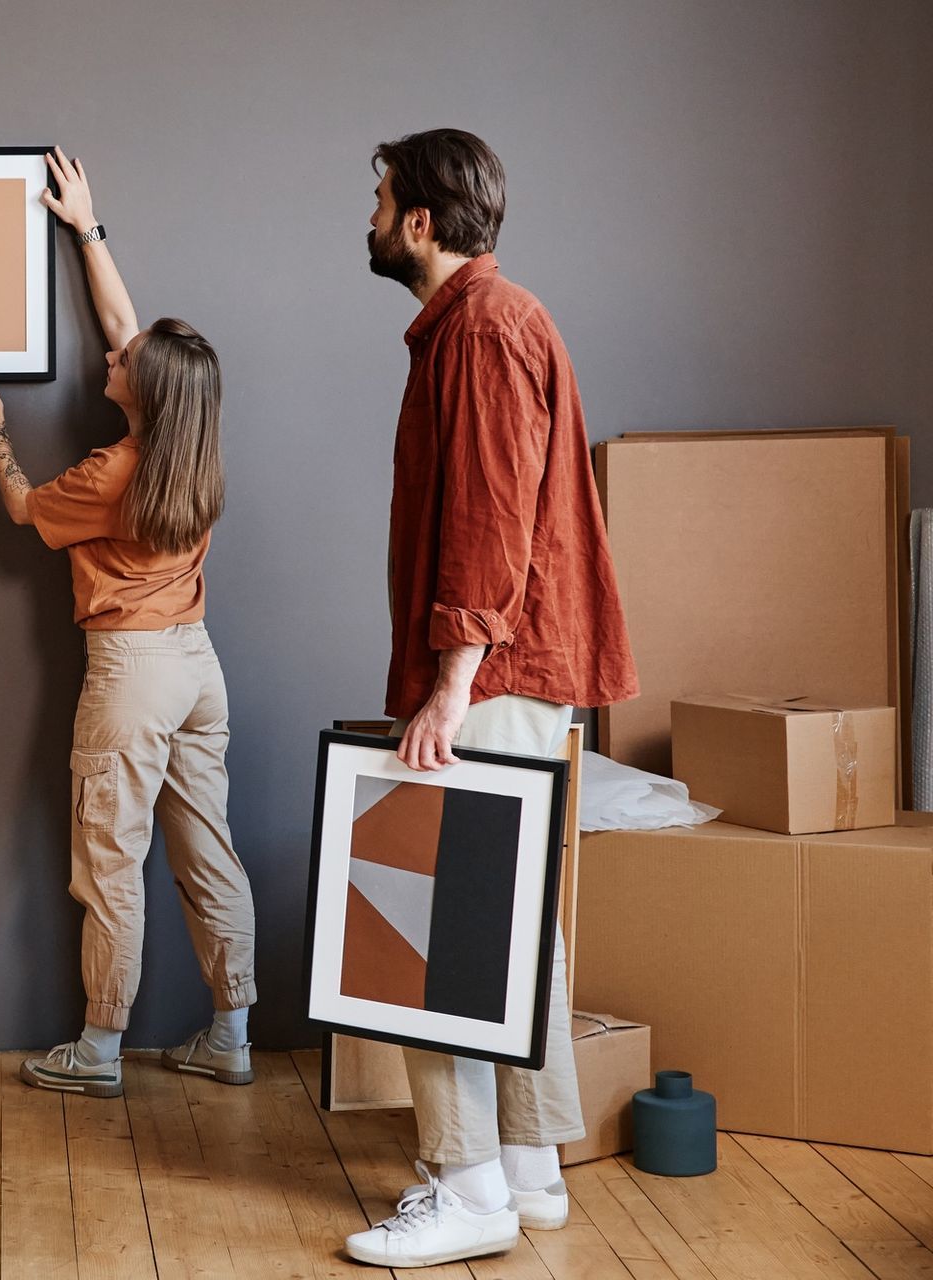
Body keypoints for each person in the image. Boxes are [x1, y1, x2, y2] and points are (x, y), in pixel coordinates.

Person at [343, 131, 638, 1269]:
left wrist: (449, 681)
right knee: (514, 924)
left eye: (379, 202)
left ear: (421, 220)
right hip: (521, 666)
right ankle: (527, 1163)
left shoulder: (481, 328)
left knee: (435, 926)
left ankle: (465, 1183)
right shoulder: (486, 325)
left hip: (495, 673)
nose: (368, 219)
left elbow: (489, 514)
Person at [0, 148, 258, 1101]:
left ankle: (99, 1049)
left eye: (124, 363)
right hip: (199, 669)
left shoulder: (111, 475)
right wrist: (87, 230)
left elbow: (28, 514)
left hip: (131, 678)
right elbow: (132, 332)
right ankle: (232, 1033)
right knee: (210, 849)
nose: (111, 354)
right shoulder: (191, 445)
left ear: (144, 390)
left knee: (108, 863)